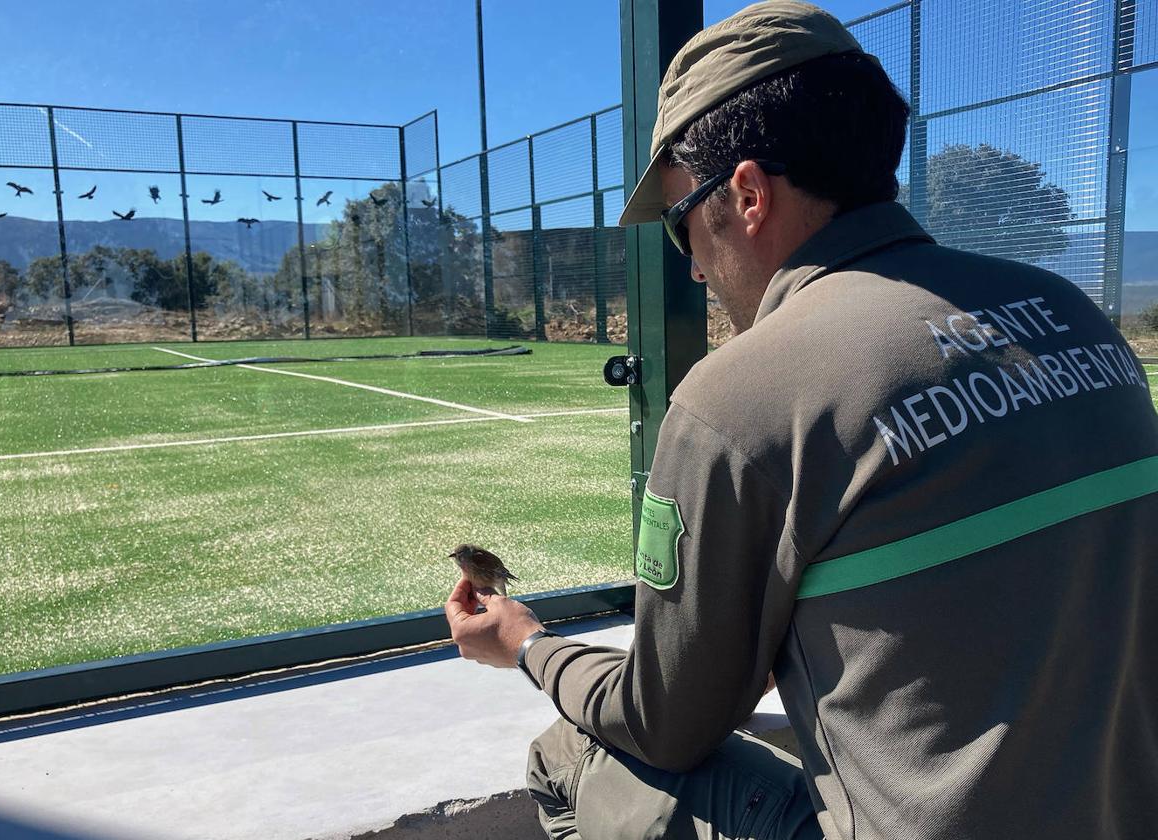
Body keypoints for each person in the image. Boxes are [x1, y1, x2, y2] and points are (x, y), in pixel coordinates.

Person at [443, 2, 1158, 837]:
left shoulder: (737, 397)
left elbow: (665, 723)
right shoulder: (1074, 314)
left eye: (680, 228)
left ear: (745, 195)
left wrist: (527, 643)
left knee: (567, 753)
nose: (698, 269)